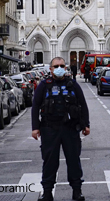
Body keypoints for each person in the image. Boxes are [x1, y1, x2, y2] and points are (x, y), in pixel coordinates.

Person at [32, 57, 90, 201]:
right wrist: (35, 128)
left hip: (70, 129)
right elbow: (35, 106)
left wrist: (86, 125)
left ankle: (77, 191)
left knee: (73, 160)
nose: (59, 68)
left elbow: (83, 104)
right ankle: (47, 192)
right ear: (50, 69)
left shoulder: (73, 84)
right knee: (50, 161)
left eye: (62, 65)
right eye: (56, 66)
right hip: (50, 128)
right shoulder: (44, 85)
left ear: (66, 68)